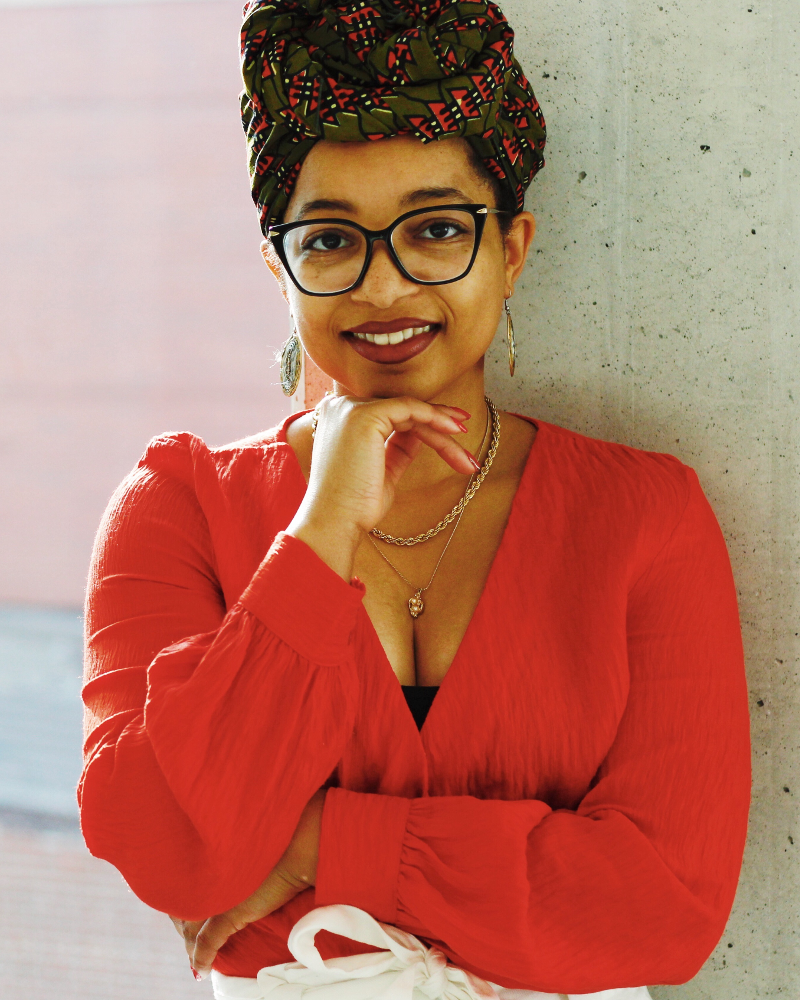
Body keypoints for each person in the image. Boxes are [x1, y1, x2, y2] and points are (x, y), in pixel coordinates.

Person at [78, 2, 751, 998]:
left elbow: (664, 910)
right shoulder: (175, 508)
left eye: (435, 230)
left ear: (511, 249)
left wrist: (312, 842)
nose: (385, 287)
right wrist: (320, 532)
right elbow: (169, 849)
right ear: (278, 265)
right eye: (330, 239)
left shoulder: (642, 517)